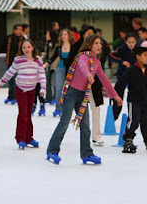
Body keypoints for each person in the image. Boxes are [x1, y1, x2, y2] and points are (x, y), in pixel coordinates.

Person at [46, 34, 122, 165]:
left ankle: (86, 153)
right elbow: (82, 66)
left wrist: (115, 95)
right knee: (64, 122)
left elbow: (104, 80)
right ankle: (52, 150)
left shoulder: (97, 62)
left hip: (83, 95)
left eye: (100, 44)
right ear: (89, 44)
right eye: (97, 43)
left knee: (85, 125)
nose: (99, 46)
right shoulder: (82, 56)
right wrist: (88, 74)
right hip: (71, 93)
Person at [0, 40, 46, 149]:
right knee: (23, 114)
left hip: (32, 89)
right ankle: (21, 138)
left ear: (32, 47)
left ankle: (29, 138)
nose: (26, 49)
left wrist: (43, 89)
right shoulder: (18, 60)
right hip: (20, 88)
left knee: (28, 114)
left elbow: (42, 75)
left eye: (28, 47)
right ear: (22, 50)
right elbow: (10, 73)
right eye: (24, 47)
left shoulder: (38, 61)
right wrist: (0, 83)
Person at [115, 47, 147, 153]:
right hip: (133, 101)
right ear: (138, 57)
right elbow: (120, 84)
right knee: (133, 121)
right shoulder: (131, 70)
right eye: (144, 55)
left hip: (145, 101)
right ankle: (128, 141)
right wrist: (117, 96)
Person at [0, 24, 24, 104]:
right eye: (19, 29)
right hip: (10, 62)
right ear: (14, 30)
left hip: (19, 64)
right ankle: (10, 96)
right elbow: (0, 47)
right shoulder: (8, 39)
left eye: (21, 30)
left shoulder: (23, 40)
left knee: (16, 81)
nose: (20, 31)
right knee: (10, 80)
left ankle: (15, 97)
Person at [44, 29, 76, 117]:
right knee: (59, 89)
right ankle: (58, 109)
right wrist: (45, 64)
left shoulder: (74, 47)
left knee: (69, 90)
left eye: (65, 34)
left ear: (69, 36)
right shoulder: (59, 47)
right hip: (60, 69)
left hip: (71, 70)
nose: (63, 36)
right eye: (62, 35)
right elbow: (53, 57)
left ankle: (68, 108)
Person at [109, 33, 137, 120]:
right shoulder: (121, 49)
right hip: (122, 76)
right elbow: (111, 56)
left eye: (133, 42)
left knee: (133, 97)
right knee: (118, 96)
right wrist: (122, 61)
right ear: (126, 42)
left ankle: (133, 117)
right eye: (129, 42)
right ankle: (113, 117)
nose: (131, 44)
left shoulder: (138, 50)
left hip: (134, 76)